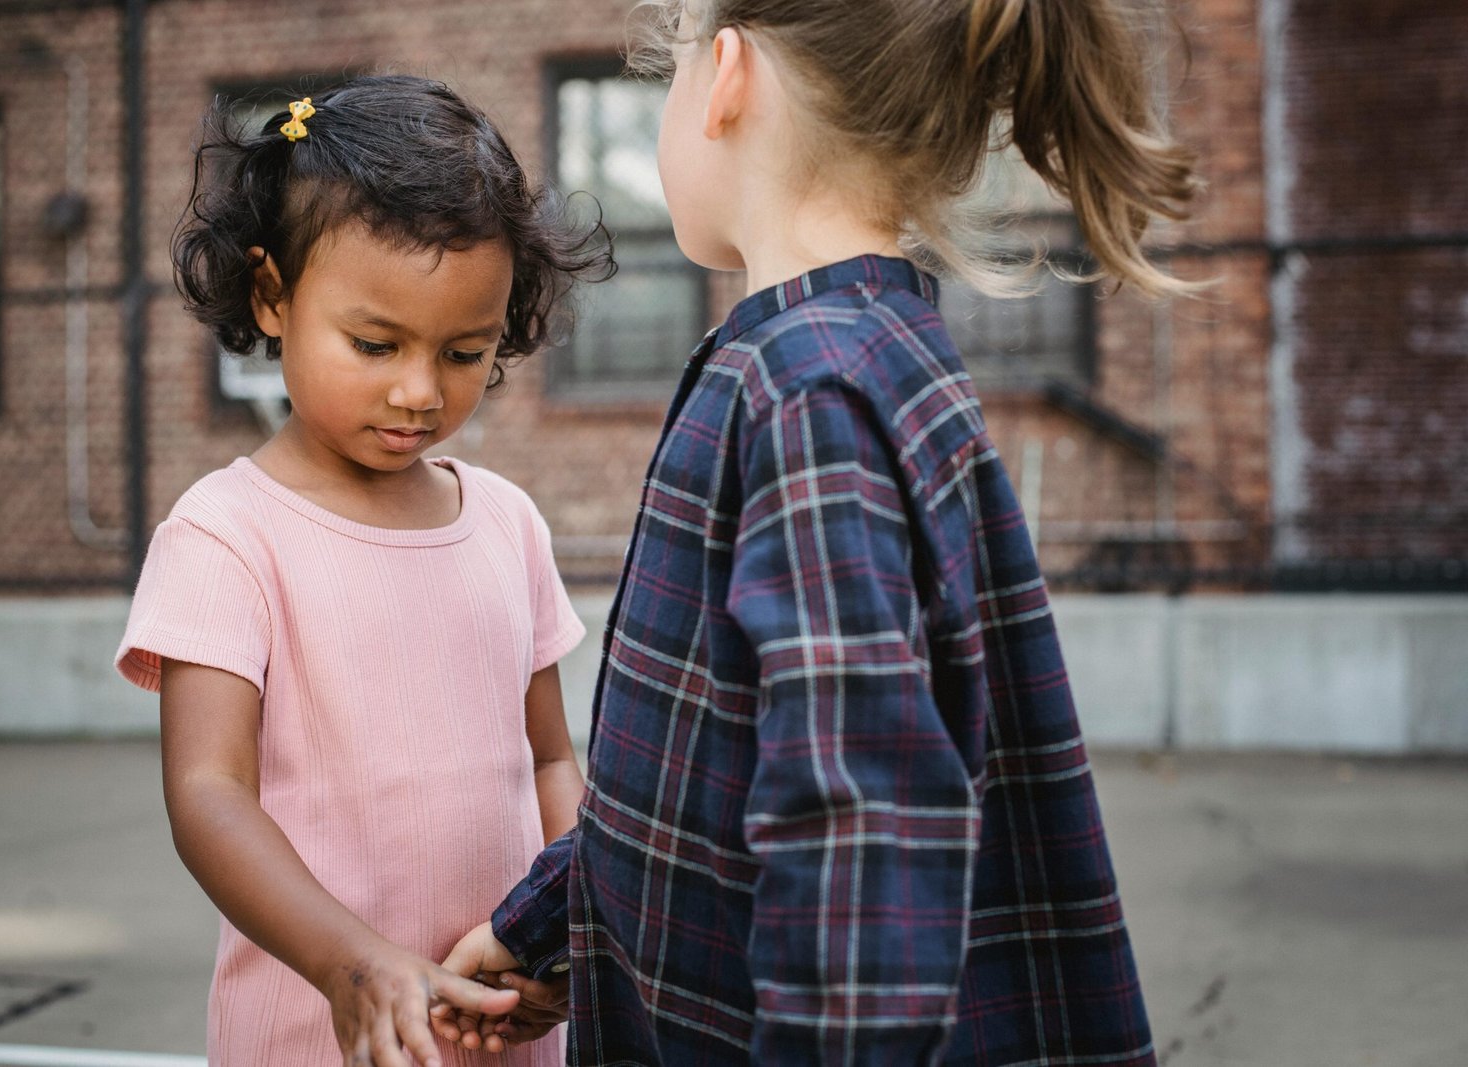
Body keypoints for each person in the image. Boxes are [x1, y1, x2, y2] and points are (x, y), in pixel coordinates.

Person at [435, 0, 1196, 1063]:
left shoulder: (807, 389)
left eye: (673, 69)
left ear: (730, 75)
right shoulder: (853, 352)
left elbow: (862, 839)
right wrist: (544, 929)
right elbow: (712, 764)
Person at [115, 74, 611, 1067]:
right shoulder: (226, 534)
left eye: (466, 351)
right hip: (318, 1032)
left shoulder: (505, 524)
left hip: (502, 1029)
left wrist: (574, 933)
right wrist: (351, 965)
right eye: (373, 343)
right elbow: (210, 792)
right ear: (271, 294)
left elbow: (553, 759)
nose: (419, 390)